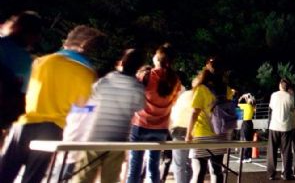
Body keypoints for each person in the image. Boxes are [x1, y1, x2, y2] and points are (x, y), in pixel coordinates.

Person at [0, 25, 104, 183]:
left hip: (23, 124)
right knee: (32, 178)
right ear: (87, 47)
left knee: (4, 174)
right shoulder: (87, 74)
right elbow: (83, 112)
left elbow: (24, 91)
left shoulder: (40, 62)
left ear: (68, 42)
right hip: (52, 130)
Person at [71, 49, 146, 183]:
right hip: (118, 140)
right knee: (110, 179)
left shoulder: (104, 81)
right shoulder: (137, 88)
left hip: (95, 136)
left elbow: (90, 100)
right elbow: (139, 108)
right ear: (139, 67)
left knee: (83, 177)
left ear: (122, 62)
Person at [126, 43, 181, 183]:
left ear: (158, 58)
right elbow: (174, 102)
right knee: (154, 165)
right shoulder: (175, 81)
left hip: (140, 125)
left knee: (135, 166)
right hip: (161, 128)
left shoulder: (146, 76)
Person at [185, 63, 235, 183]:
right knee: (216, 171)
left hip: (202, 135)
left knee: (199, 171)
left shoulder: (201, 89)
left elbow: (194, 113)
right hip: (221, 135)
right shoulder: (226, 89)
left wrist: (188, 134)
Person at [0, 11, 42, 135]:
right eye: (33, 34)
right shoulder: (6, 48)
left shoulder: (25, 56)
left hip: (13, 111)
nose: (35, 39)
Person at [267, 78, 295, 180]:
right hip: (286, 127)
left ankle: (271, 174)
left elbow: (272, 107)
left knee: (272, 151)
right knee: (286, 151)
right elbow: (292, 109)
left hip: (274, 126)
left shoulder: (274, 95)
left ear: (280, 85)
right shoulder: (290, 97)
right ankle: (286, 174)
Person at [169, 75, 195, 183]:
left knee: (179, 164)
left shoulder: (177, 94)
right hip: (192, 130)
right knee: (189, 163)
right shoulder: (189, 94)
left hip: (179, 129)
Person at [238, 93, 257, 163]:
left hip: (245, 123)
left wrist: (242, 97)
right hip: (250, 123)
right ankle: (248, 157)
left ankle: (244, 157)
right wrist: (247, 97)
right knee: (249, 140)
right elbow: (252, 101)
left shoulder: (247, 106)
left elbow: (237, 104)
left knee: (244, 139)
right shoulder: (252, 106)